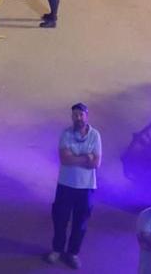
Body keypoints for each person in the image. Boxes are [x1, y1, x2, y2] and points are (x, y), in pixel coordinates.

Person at [48, 102, 101, 268]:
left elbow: (96, 163)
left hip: (86, 188)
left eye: (81, 115)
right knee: (60, 219)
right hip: (66, 185)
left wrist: (75, 157)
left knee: (80, 223)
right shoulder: (66, 134)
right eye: (75, 115)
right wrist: (86, 157)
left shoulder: (95, 135)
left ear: (86, 115)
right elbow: (64, 159)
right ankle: (57, 250)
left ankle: (72, 253)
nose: (78, 118)